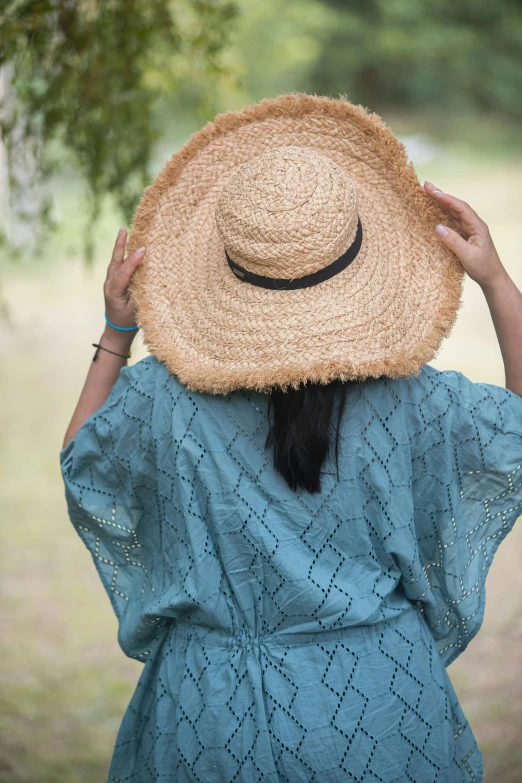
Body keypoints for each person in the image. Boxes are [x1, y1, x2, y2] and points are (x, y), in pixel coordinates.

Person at [60, 94, 522, 783]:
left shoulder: (161, 397)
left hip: (207, 715)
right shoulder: (416, 400)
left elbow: (83, 466)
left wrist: (118, 331)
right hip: (382, 708)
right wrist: (495, 281)